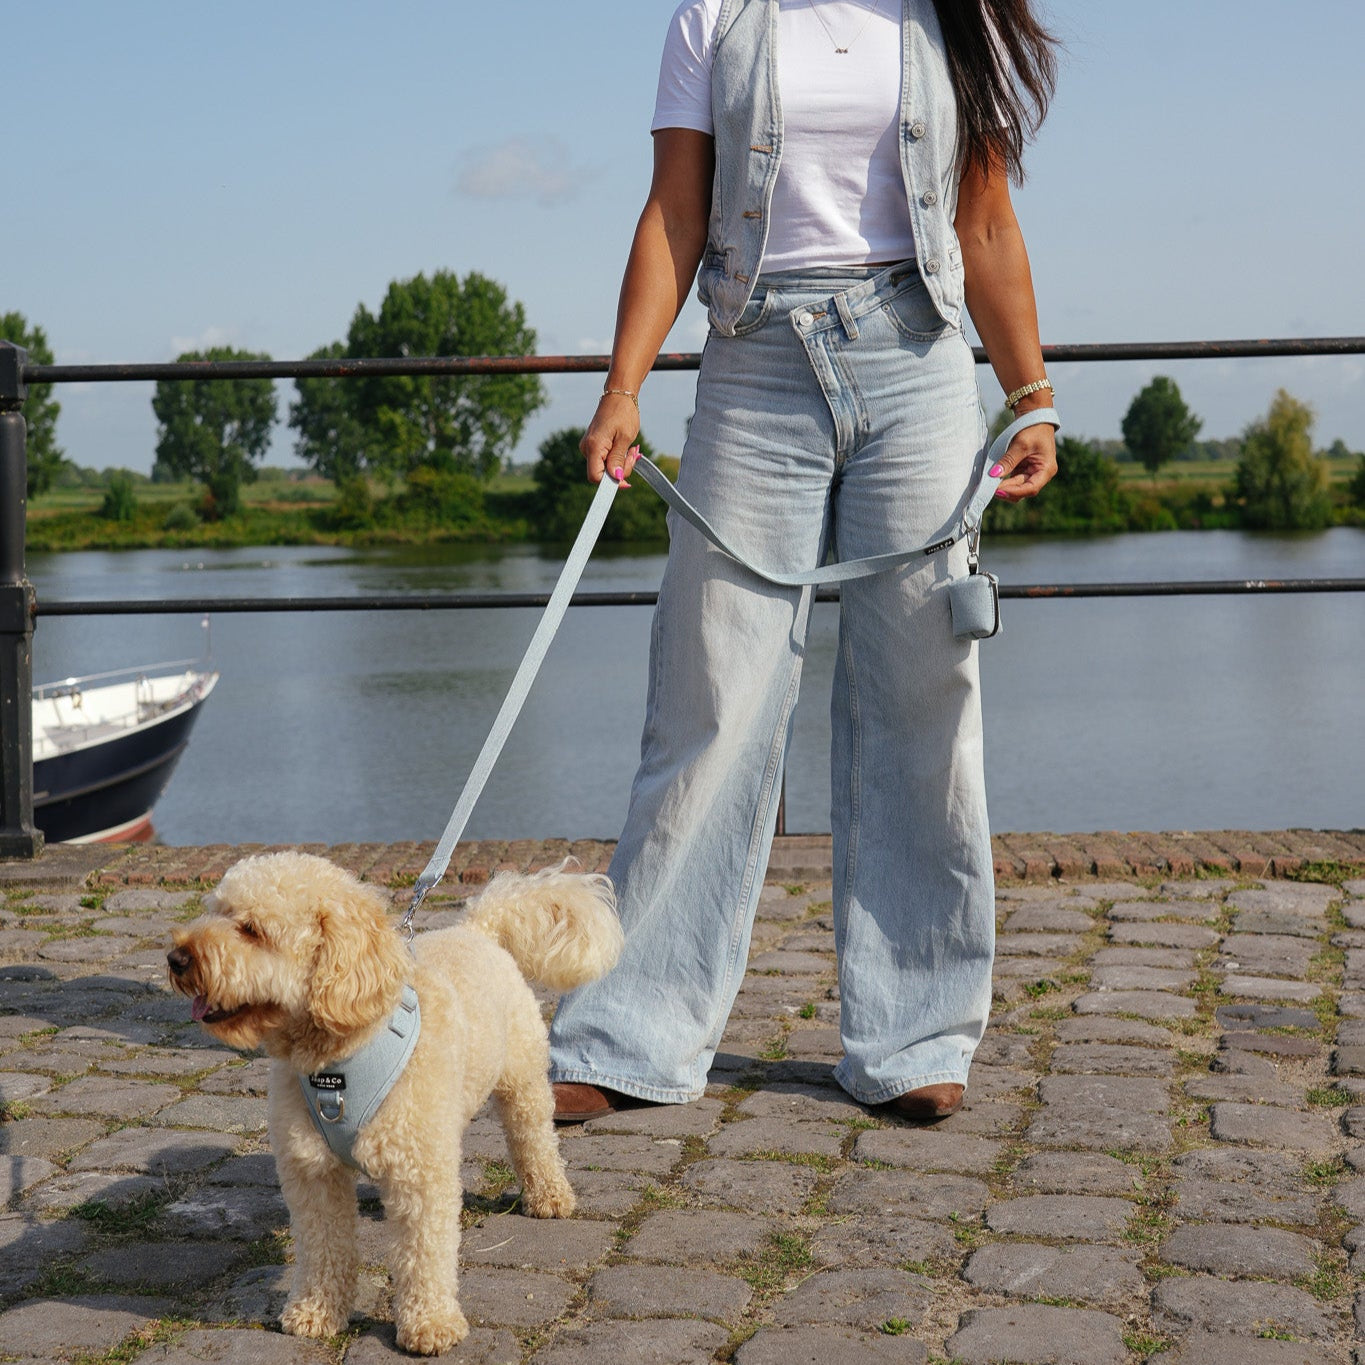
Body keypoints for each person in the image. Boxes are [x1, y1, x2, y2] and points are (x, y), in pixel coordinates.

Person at [549, 0, 1060, 1123]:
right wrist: (624, 387)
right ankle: (631, 1033)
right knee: (709, 695)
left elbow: (983, 221)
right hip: (753, 364)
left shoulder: (951, 16)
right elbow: (676, 212)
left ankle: (915, 1034)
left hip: (916, 362)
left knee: (922, 694)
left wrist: (1030, 395)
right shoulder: (714, 17)